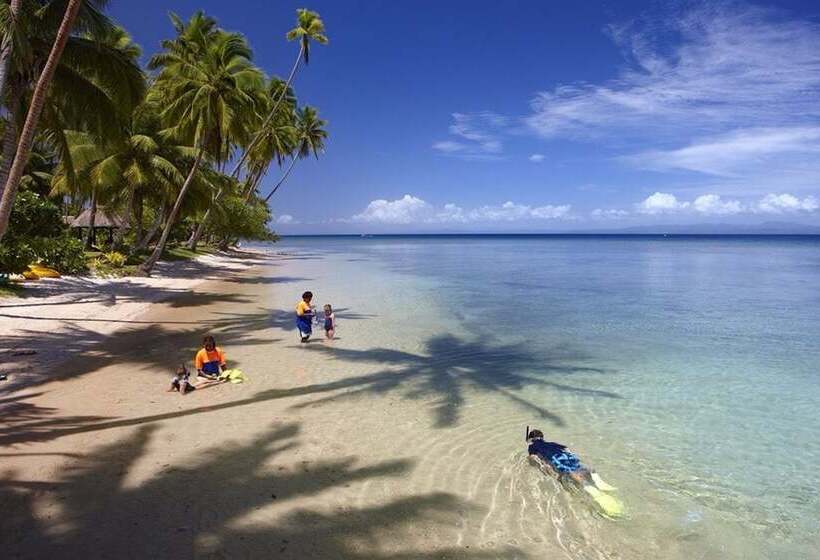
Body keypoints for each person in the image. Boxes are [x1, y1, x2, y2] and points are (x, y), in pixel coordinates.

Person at [526, 427, 623, 517]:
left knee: (567, 472)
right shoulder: (551, 443)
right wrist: (570, 455)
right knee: (577, 466)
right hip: (566, 456)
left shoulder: (532, 446)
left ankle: (586, 485)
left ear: (530, 439)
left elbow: (533, 457)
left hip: (555, 459)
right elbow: (565, 448)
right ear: (542, 437)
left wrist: (541, 466)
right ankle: (592, 474)